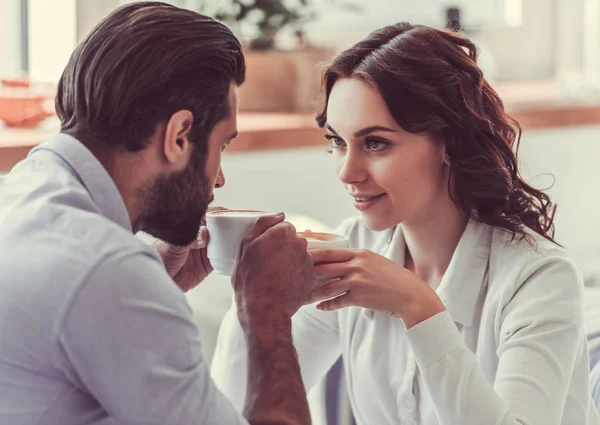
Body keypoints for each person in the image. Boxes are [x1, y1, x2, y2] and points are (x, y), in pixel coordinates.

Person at [212, 22, 600, 424]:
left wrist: (419, 309)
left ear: (448, 143)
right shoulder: (352, 250)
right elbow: (232, 413)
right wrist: (254, 302)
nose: (347, 172)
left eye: (375, 143)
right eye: (337, 142)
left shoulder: (539, 279)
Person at [0, 2, 316, 425]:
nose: (219, 179)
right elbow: (97, 282)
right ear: (180, 135)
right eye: (222, 146)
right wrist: (269, 314)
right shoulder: (109, 270)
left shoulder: (19, 193)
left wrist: (157, 280)